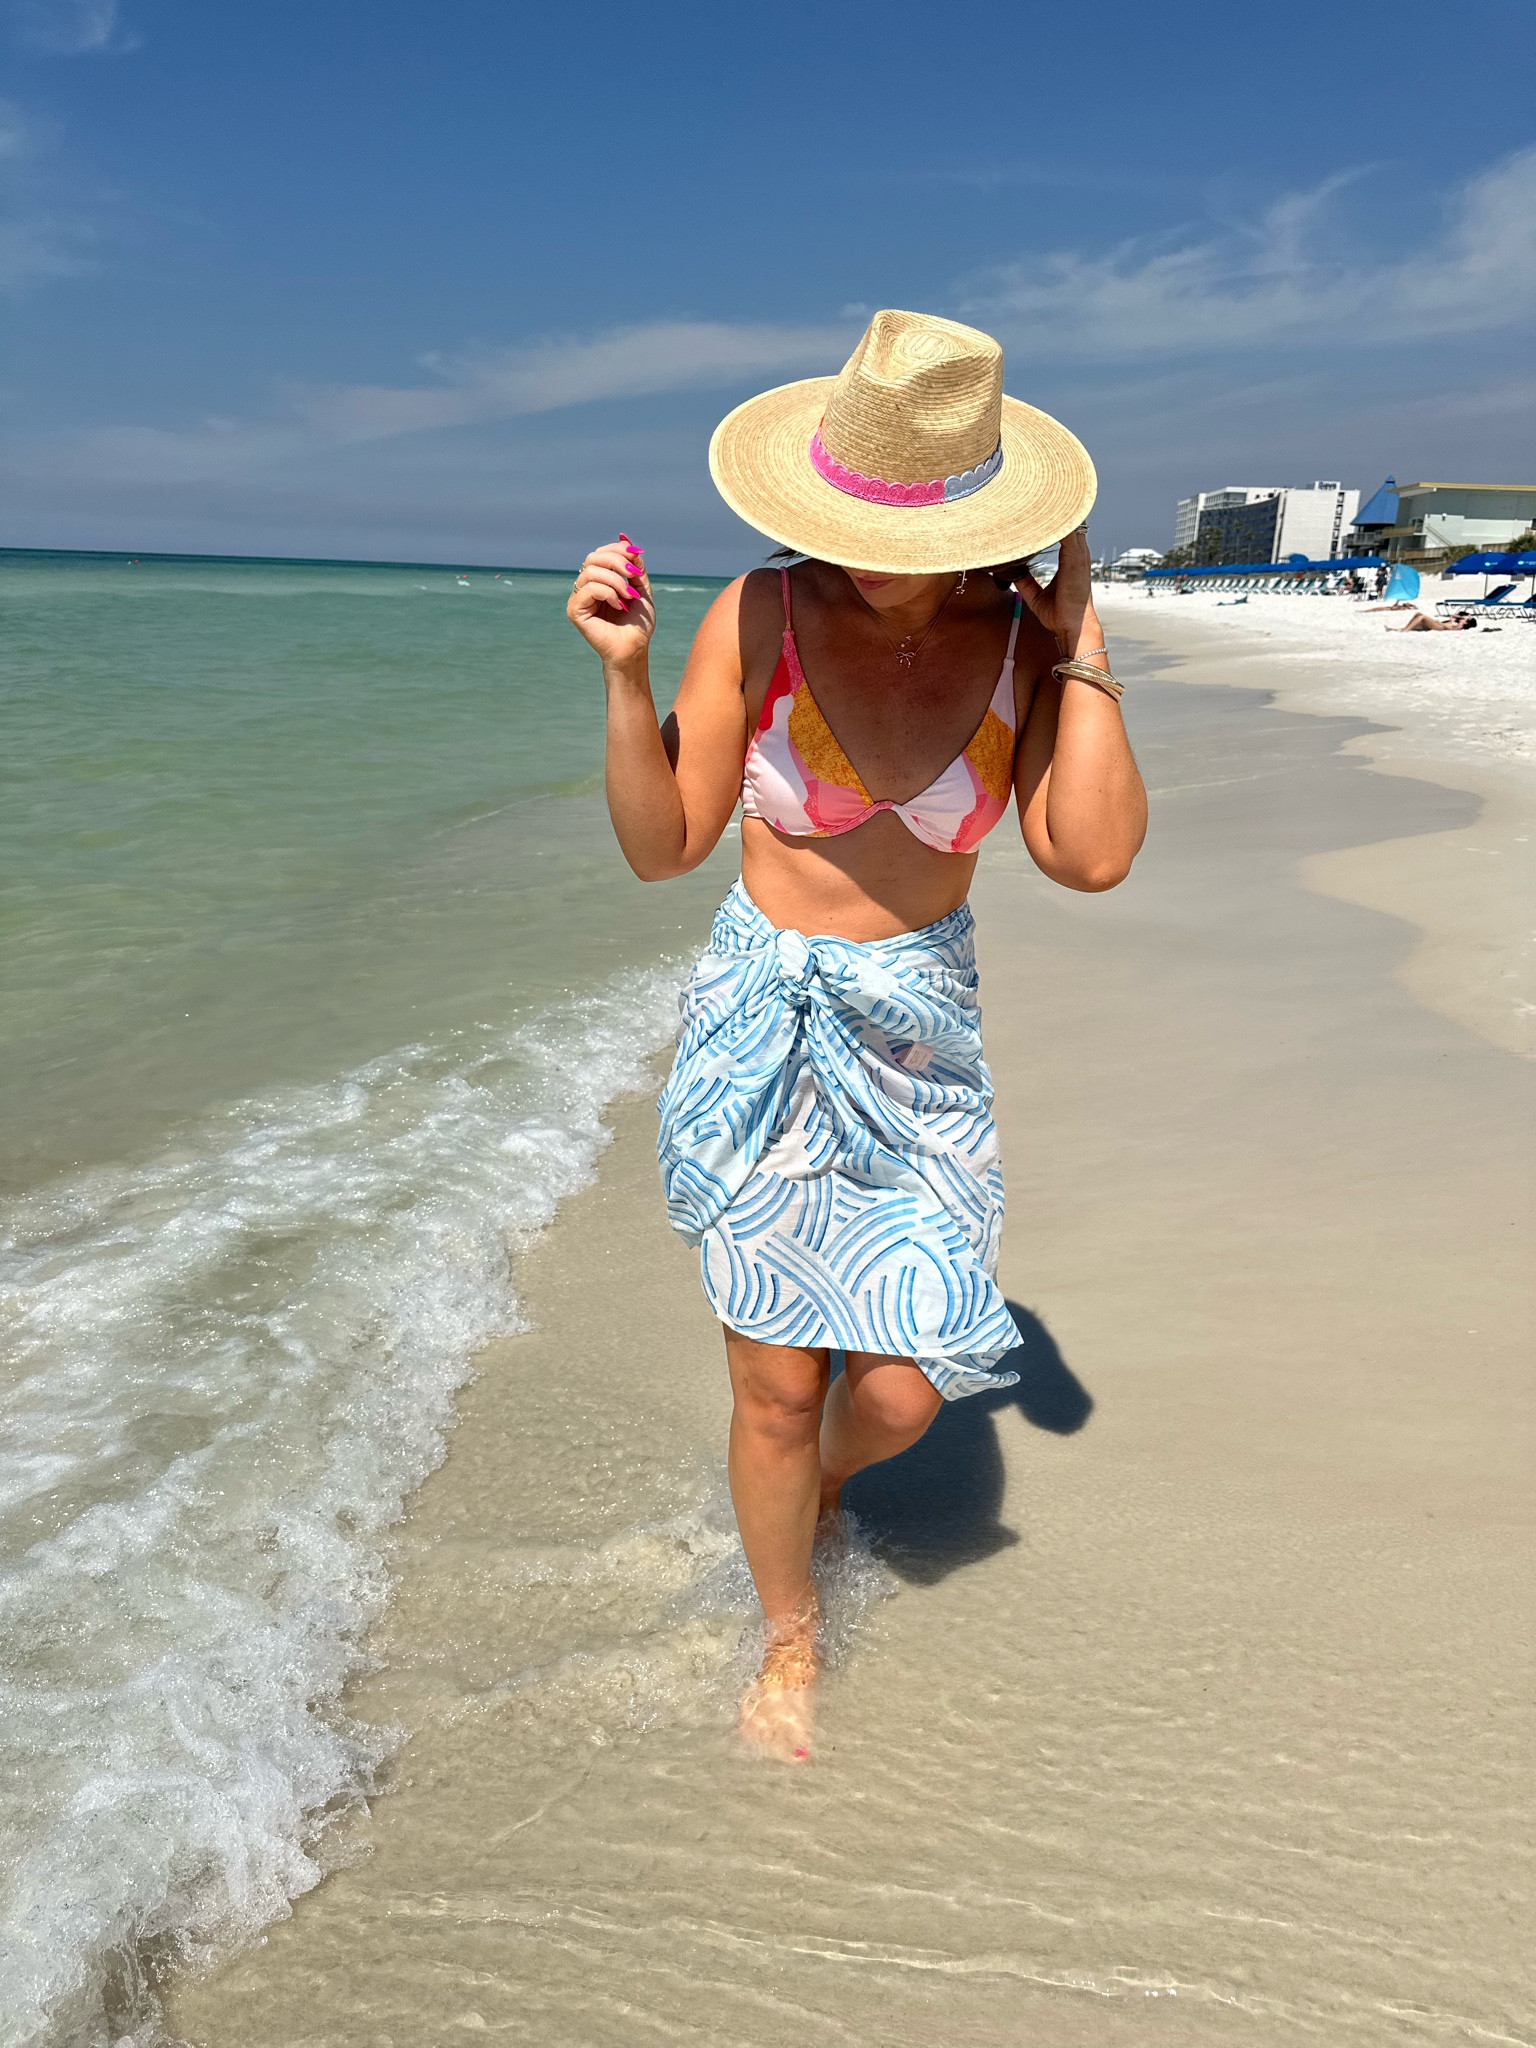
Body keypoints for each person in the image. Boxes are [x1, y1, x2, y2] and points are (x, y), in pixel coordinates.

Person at [567, 310, 1147, 1762]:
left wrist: (1079, 650)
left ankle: (820, 1492)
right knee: (774, 1385)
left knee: (893, 1393)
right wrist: (628, 681)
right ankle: (788, 1634)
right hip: (765, 1027)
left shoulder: (1021, 644)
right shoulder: (758, 616)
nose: (869, 549)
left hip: (916, 1049)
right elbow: (666, 849)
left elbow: (1090, 856)